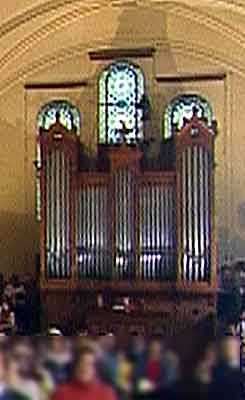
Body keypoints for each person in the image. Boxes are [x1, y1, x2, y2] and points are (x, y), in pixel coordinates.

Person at [51, 346, 117, 400]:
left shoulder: (106, 393)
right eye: (81, 363)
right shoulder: (61, 393)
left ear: (95, 368)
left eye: (88, 364)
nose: (84, 368)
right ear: (75, 366)